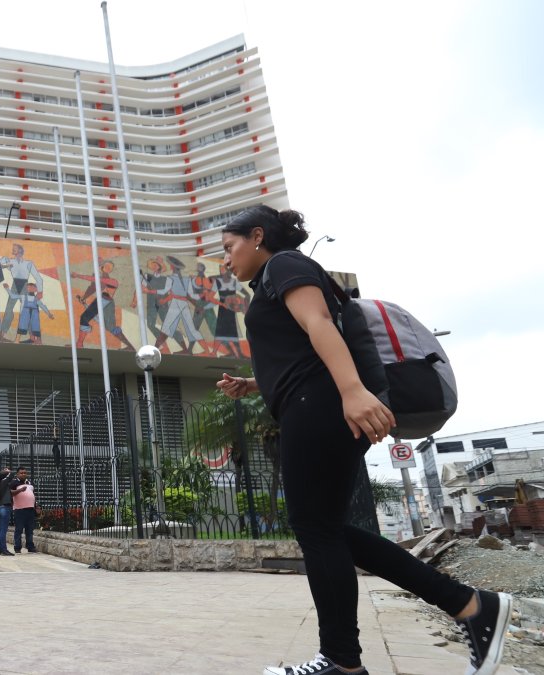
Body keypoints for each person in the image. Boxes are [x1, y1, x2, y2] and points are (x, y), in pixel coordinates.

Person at [217, 205, 511, 675]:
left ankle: (343, 660)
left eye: (228, 248)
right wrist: (254, 385)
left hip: (320, 407)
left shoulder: (285, 264)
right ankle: (469, 607)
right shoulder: (275, 278)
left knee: (316, 530)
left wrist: (353, 392)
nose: (225, 261)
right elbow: (299, 349)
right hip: (315, 403)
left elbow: (320, 326)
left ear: (256, 237)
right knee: (327, 531)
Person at [8, 466, 37, 554]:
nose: (23, 474)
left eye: (25, 473)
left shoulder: (29, 483)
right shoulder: (14, 482)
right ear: (17, 474)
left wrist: (36, 506)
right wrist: (20, 490)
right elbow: (9, 492)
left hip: (30, 509)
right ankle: (17, 547)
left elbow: (33, 495)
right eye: (21, 473)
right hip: (19, 510)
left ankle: (30, 547)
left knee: (30, 530)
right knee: (19, 529)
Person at [0, 466, 15, 556]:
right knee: (3, 531)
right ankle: (4, 550)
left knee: (1, 530)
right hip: (5, 508)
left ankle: (0, 550)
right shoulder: (4, 482)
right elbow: (12, 475)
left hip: (0, 507)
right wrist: (8, 471)